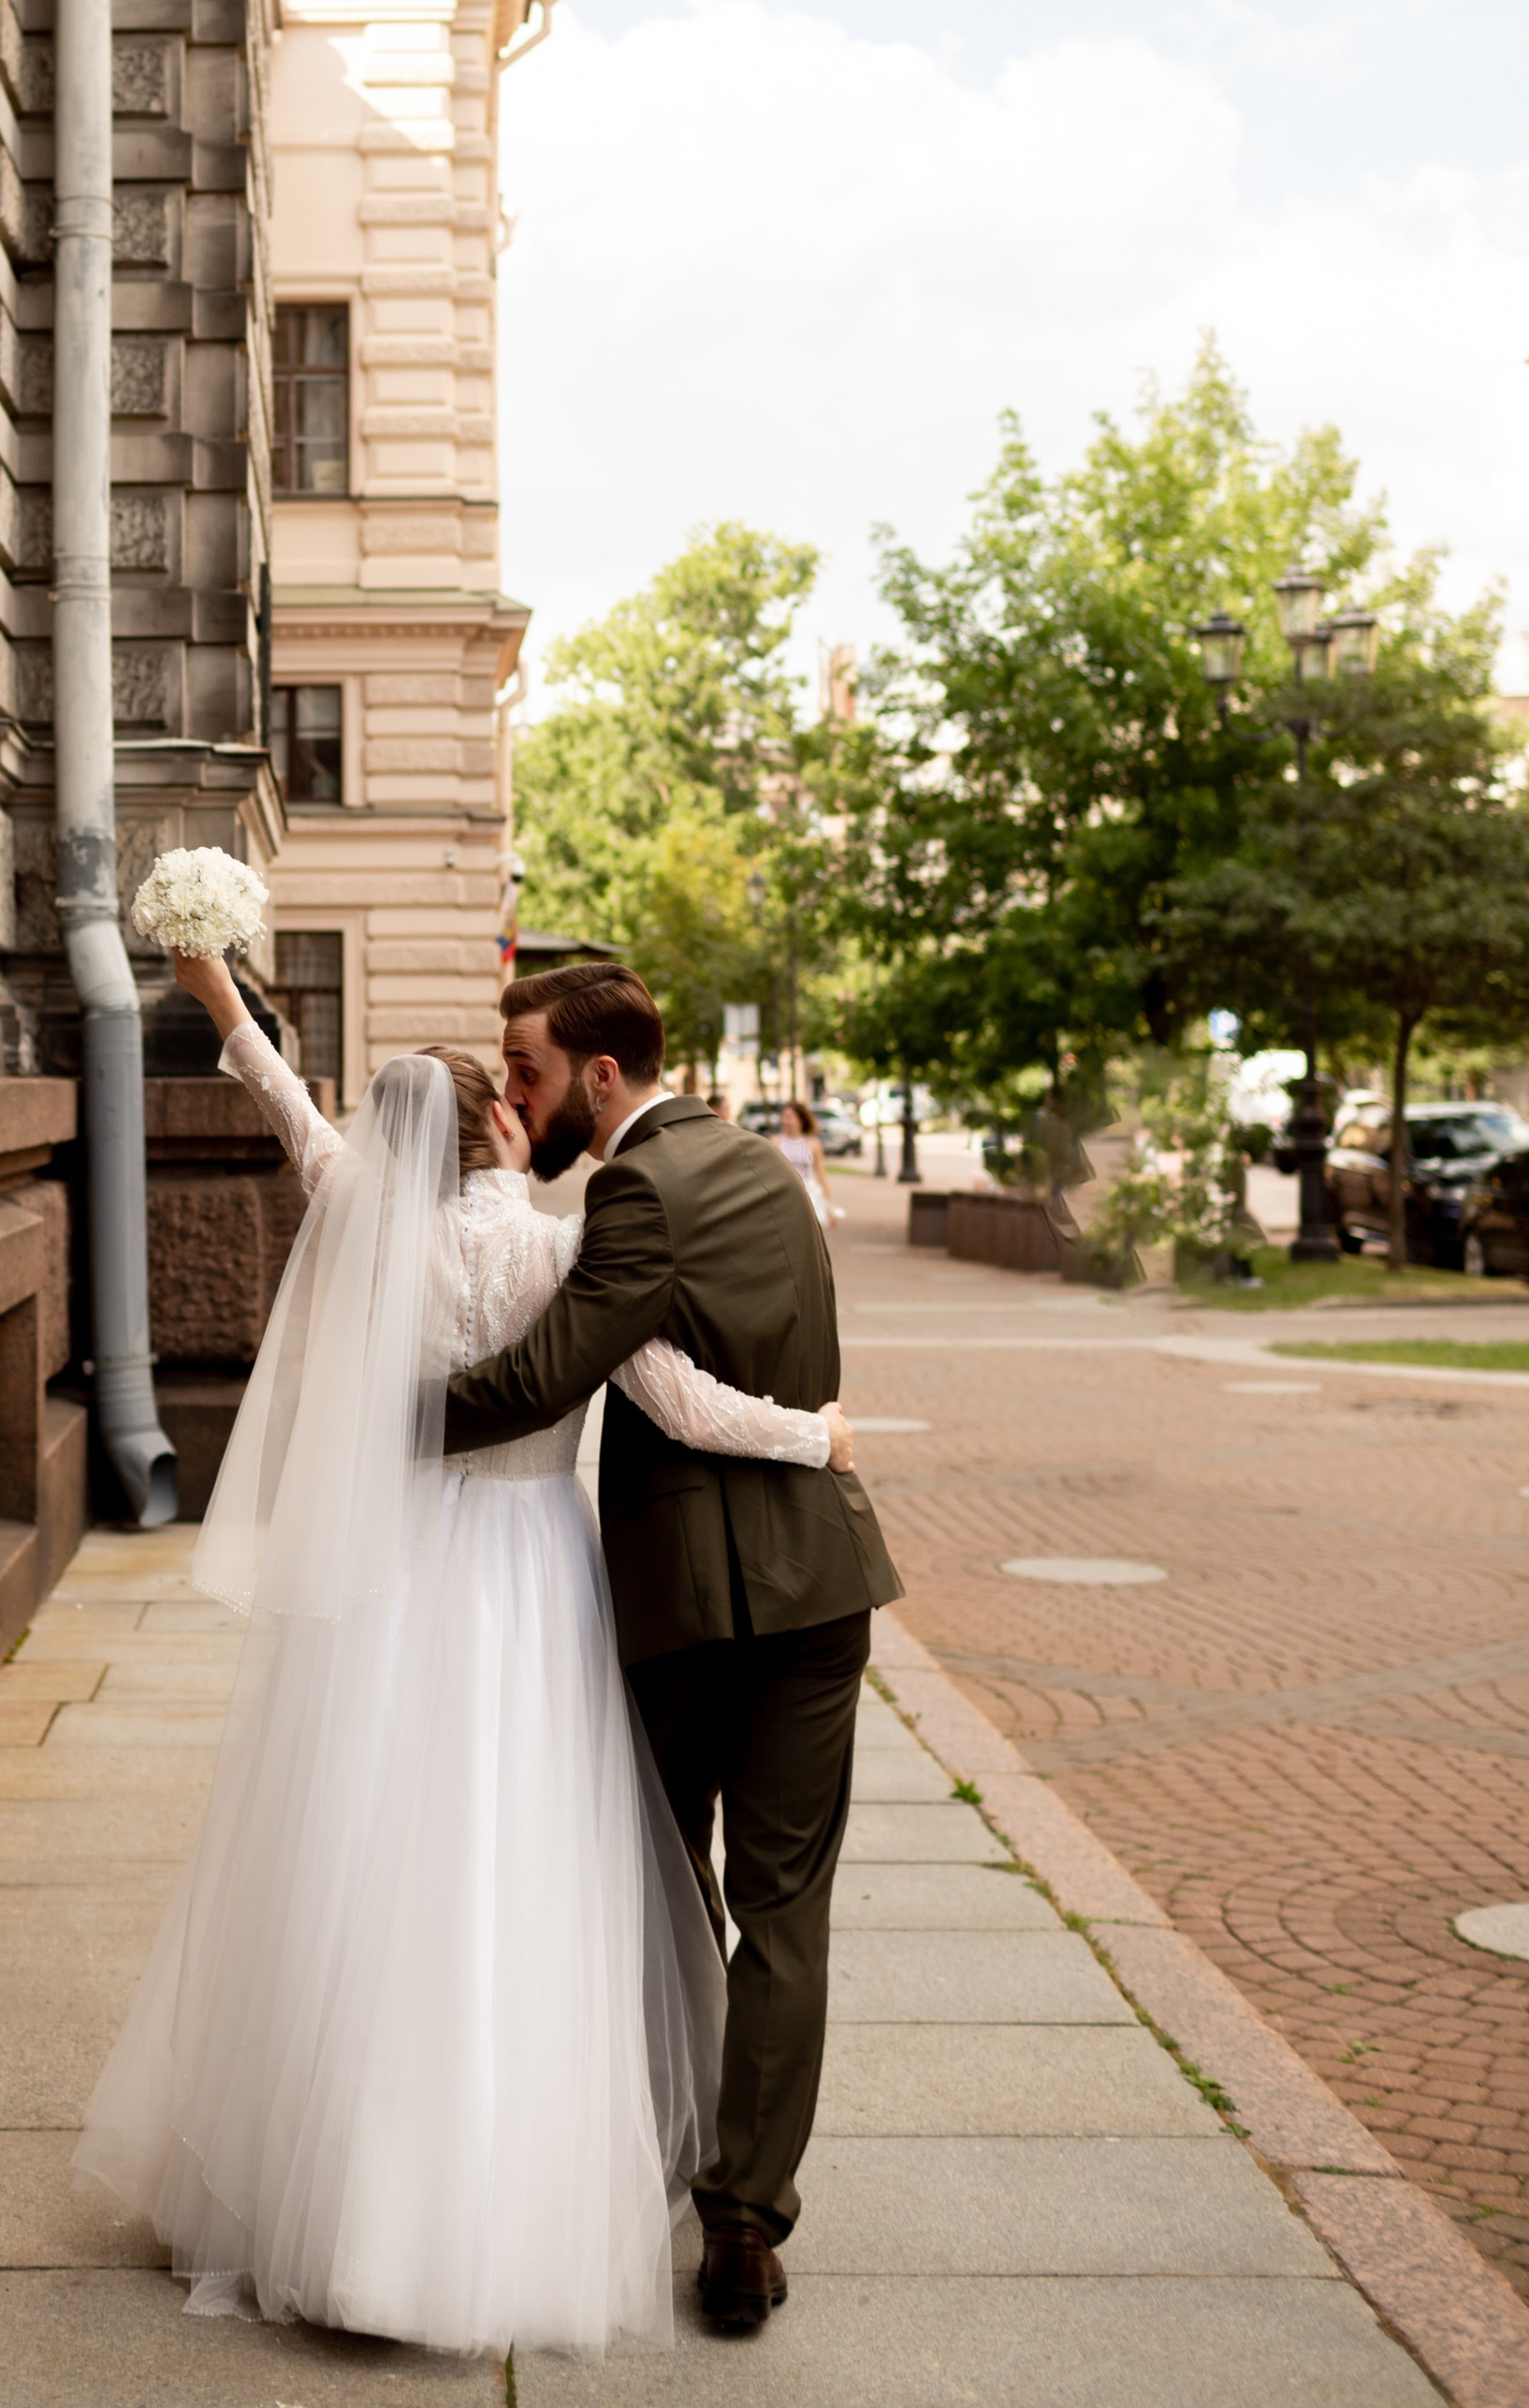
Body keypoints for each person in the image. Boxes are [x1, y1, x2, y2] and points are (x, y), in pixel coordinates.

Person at [76, 947, 860, 2357]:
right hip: (528, 1582)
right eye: (505, 1086)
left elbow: (284, 1109)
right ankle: (523, 2186)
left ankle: (336, 2197)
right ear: (496, 1127)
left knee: (368, 1866)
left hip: (395, 1588)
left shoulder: (368, 1222)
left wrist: (214, 990)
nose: (520, 1095)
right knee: (517, 1869)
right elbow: (678, 1401)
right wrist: (819, 1434)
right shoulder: (564, 1249)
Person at [444, 963, 903, 2339]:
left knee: (656, 1883)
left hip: (698, 1601)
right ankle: (744, 2218)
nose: (513, 1088)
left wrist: (364, 1415)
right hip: (824, 1581)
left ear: (599, 1076)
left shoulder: (631, 1190)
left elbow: (547, 1372)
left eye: (525, 1065)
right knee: (787, 1911)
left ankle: (652, 2152)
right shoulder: (769, 1166)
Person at [779, 1094, 843, 1225]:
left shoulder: (813, 1143)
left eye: (790, 1117)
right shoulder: (776, 1141)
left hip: (807, 1193)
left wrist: (829, 1206)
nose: (785, 1121)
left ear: (800, 1120)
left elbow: (821, 1174)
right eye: (783, 1117)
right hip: (784, 1193)